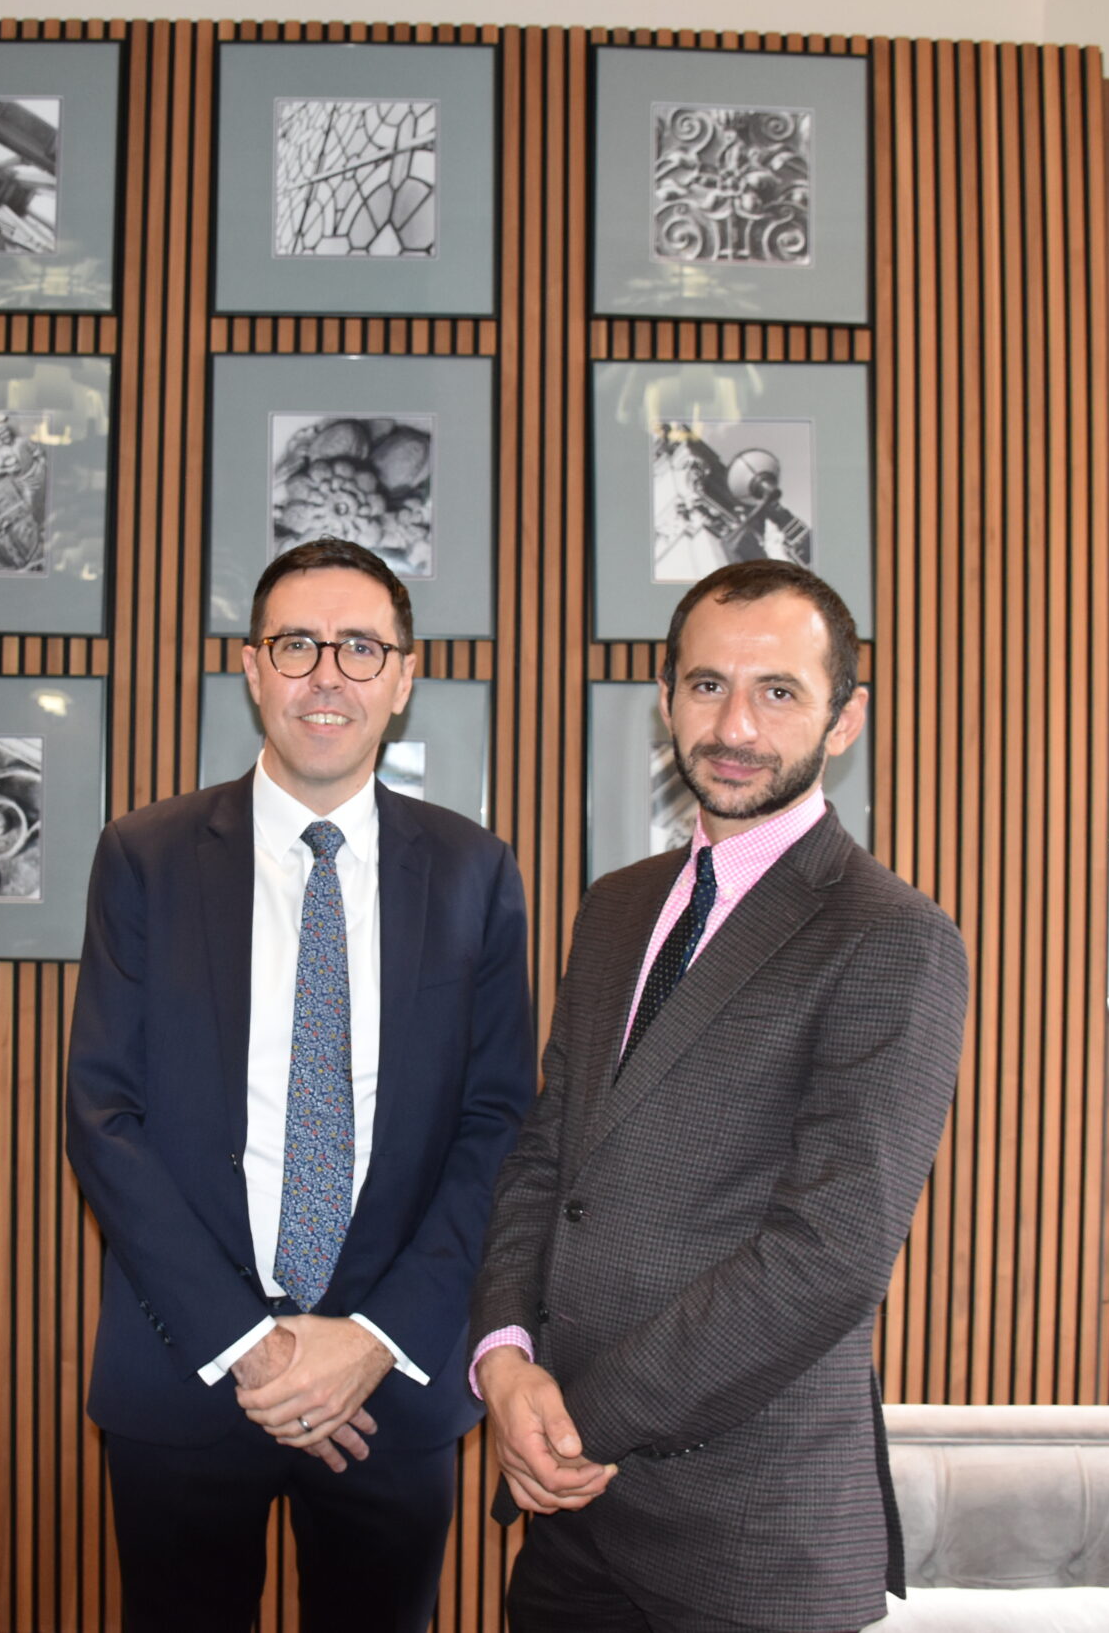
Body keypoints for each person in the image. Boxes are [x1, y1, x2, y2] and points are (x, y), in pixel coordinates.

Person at [468, 558, 970, 1633]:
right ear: (664, 701)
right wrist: (505, 1360)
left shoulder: (892, 939)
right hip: (569, 1530)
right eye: (705, 686)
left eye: (778, 691)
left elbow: (828, 1253)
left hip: (749, 1540)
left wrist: (573, 1422)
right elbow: (546, 1158)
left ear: (844, 720)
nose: (734, 724)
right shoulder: (614, 909)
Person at [66, 537, 536, 1633]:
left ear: (405, 675)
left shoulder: (475, 873)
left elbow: (496, 1123)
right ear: (251, 666)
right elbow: (103, 1115)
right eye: (296, 644)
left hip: (392, 1381)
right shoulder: (145, 854)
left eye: (361, 647)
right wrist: (254, 1345)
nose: (328, 673)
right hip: (186, 1366)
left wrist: (370, 1339)